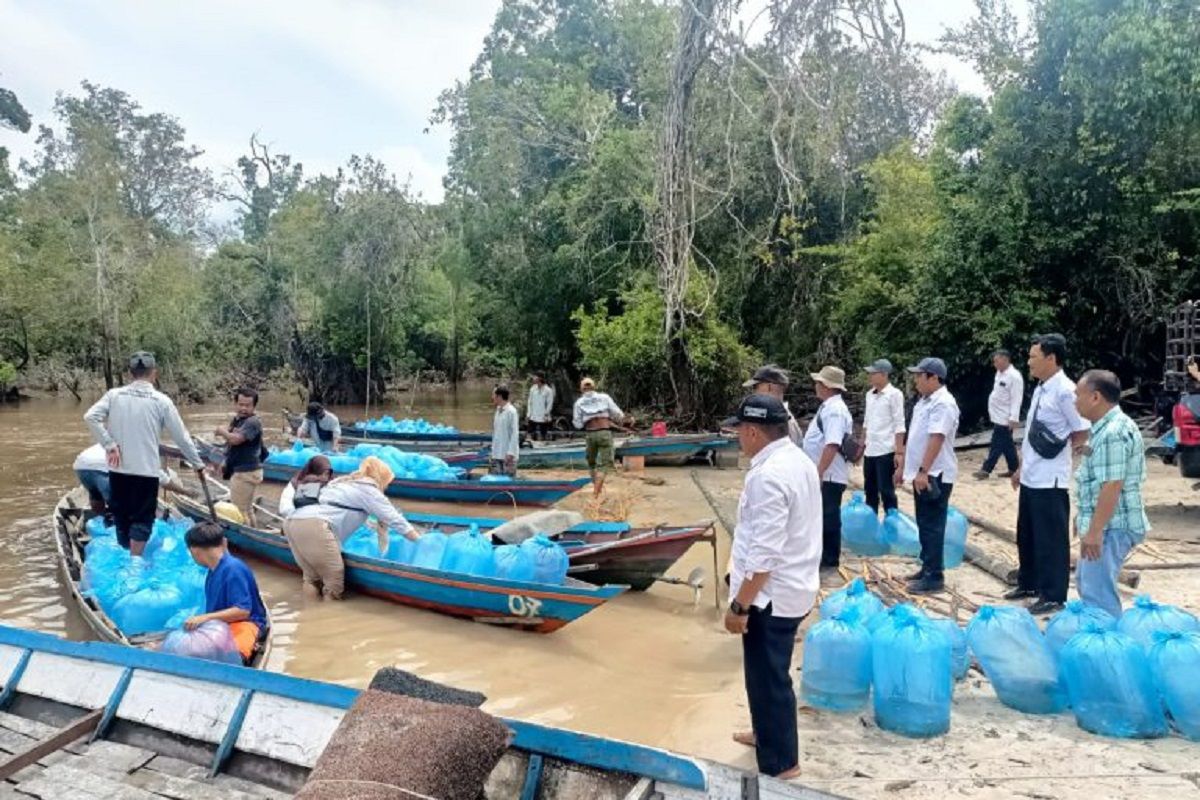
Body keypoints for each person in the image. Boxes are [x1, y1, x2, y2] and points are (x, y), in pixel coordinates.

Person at [722, 394, 820, 780]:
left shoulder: (768, 475)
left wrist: (740, 607)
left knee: (769, 679)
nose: (736, 439)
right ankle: (765, 734)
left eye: (738, 432)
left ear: (752, 431)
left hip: (771, 596)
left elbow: (764, 554)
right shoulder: (797, 460)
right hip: (794, 586)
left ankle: (783, 766)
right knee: (763, 675)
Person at [84, 351, 204, 556]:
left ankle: (128, 552)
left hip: (118, 469)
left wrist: (109, 444)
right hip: (146, 472)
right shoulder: (161, 401)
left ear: (131, 373)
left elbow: (90, 417)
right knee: (142, 517)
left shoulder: (114, 395)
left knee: (121, 514)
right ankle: (135, 559)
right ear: (154, 373)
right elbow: (181, 437)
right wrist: (197, 464)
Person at [1008, 334, 1090, 616]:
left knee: (1050, 539)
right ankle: (1028, 582)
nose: (1029, 362)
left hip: (1051, 478)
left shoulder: (1065, 391)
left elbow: (1081, 428)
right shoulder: (1043, 388)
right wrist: (1020, 468)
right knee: (1027, 534)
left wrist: (1071, 454)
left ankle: (1053, 594)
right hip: (1032, 474)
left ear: (1051, 358)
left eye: (1033, 357)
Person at [282, 456, 419, 600]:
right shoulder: (369, 489)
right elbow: (396, 520)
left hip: (292, 522)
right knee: (333, 581)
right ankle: (329, 619)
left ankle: (308, 616)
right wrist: (419, 541)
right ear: (381, 477)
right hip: (314, 524)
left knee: (311, 579)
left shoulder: (342, 482)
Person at [1073, 370, 1149, 618]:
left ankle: (1108, 651)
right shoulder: (1104, 429)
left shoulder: (1112, 432)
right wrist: (1084, 521)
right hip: (1105, 524)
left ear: (1095, 397)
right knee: (1089, 585)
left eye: (1078, 395)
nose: (1075, 401)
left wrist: (1095, 531)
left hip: (1112, 526)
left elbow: (1112, 485)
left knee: (1098, 597)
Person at [902, 358, 961, 595]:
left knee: (933, 525)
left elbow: (936, 438)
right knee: (924, 523)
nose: (916, 380)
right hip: (922, 473)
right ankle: (927, 566)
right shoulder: (924, 402)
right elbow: (916, 436)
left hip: (935, 473)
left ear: (934, 378)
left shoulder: (943, 403)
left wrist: (924, 471)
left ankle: (934, 576)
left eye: (920, 376)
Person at [183, 521, 269, 664]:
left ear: (194, 551)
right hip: (222, 626)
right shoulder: (214, 569)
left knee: (231, 659)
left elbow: (243, 611)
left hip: (245, 624)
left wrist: (203, 618)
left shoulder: (233, 569)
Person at [801, 366, 853, 570]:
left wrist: (819, 471)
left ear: (826, 386)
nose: (816, 386)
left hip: (829, 475)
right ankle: (823, 556)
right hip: (827, 473)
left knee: (828, 516)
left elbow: (832, 444)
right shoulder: (828, 407)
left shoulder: (834, 410)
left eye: (819, 382)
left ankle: (830, 560)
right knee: (821, 515)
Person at [213, 387, 266, 526]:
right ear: (235, 404)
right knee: (247, 510)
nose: (243, 408)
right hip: (246, 470)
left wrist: (221, 431)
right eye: (240, 404)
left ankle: (247, 536)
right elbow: (232, 446)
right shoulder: (238, 420)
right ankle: (254, 532)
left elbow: (235, 439)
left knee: (239, 511)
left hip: (246, 472)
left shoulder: (252, 422)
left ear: (254, 406)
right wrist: (225, 461)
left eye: (247, 405)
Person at [862, 358, 906, 515]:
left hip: (885, 449)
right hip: (870, 449)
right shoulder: (869, 395)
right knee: (870, 489)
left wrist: (899, 452)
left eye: (873, 374)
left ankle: (891, 522)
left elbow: (899, 423)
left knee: (886, 490)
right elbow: (866, 421)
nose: (870, 377)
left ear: (883, 374)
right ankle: (871, 522)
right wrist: (862, 443)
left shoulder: (894, 394)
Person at [572, 377, 629, 496]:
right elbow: (618, 414)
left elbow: (577, 424)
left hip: (590, 434)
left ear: (581, 389)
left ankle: (596, 489)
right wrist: (624, 421)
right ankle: (596, 492)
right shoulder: (604, 397)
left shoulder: (579, 403)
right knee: (605, 464)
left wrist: (587, 419)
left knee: (591, 463)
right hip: (604, 433)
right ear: (594, 386)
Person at [974, 350, 1024, 479]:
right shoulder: (999, 374)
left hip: (1006, 417)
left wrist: (1014, 418)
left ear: (1005, 359)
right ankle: (1014, 468)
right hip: (997, 414)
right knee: (1007, 445)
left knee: (997, 443)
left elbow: (1016, 398)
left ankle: (986, 469)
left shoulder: (1014, 376)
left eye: (997, 361)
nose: (994, 364)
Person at [743, 364, 802, 446]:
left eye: (755, 387)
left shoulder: (780, 421)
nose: (754, 392)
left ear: (769, 387)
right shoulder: (782, 417)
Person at [491, 385, 520, 477]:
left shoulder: (511, 411)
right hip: (497, 453)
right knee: (496, 481)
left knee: (508, 481)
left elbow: (514, 434)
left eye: (494, 395)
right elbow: (496, 432)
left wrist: (511, 453)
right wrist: (493, 450)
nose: (492, 398)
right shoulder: (498, 410)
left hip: (508, 454)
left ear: (499, 397)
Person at [526, 373, 555, 441]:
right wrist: (528, 413)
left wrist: (546, 413)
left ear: (540, 378)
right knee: (530, 434)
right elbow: (530, 402)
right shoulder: (533, 389)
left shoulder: (548, 390)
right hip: (533, 416)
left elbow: (549, 404)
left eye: (535, 377)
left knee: (543, 435)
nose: (533, 378)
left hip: (543, 417)